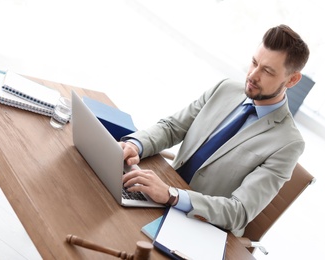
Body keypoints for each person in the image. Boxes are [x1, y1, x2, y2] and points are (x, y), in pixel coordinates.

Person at [120, 24, 310, 237]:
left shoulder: (288, 143)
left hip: (200, 227)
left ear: (292, 79)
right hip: (162, 195)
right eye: (254, 62)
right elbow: (172, 127)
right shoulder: (225, 89)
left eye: (267, 71)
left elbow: (238, 211)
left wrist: (171, 195)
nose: (253, 76)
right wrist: (135, 145)